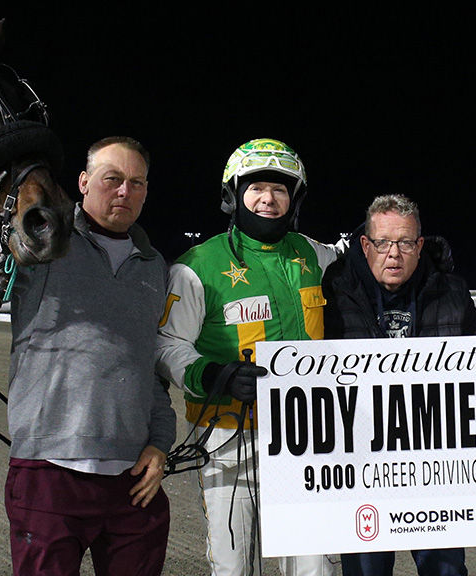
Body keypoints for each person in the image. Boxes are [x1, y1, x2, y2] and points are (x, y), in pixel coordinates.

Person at [0, 137, 174, 576]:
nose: (124, 191)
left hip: (133, 483)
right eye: (112, 179)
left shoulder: (153, 265)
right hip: (48, 473)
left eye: (136, 183)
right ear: (83, 182)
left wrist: (160, 443)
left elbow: (149, 367)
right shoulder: (45, 241)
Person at [153, 138, 337, 576]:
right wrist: (213, 374)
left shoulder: (319, 256)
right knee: (235, 568)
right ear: (232, 195)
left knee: (317, 570)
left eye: (280, 188)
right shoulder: (197, 265)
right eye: (256, 188)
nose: (268, 199)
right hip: (229, 442)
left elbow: (375, 280)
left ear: (295, 198)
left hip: (308, 440)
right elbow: (166, 346)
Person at [322, 194, 476, 576]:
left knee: (446, 570)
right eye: (383, 243)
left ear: (419, 245)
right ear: (365, 244)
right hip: (360, 473)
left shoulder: (453, 293)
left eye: (405, 243)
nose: (394, 253)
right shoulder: (333, 295)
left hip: (436, 471)